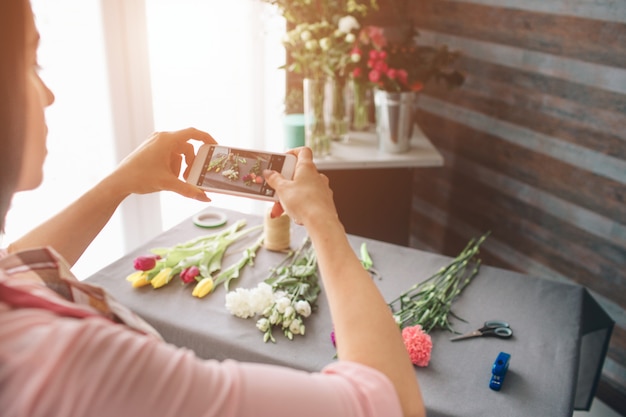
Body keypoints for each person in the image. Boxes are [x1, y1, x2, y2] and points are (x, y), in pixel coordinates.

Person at [0, 0, 426, 416]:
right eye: (31, 64)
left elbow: (17, 266)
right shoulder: (72, 364)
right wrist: (322, 219)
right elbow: (388, 402)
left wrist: (118, 183)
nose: (49, 94)